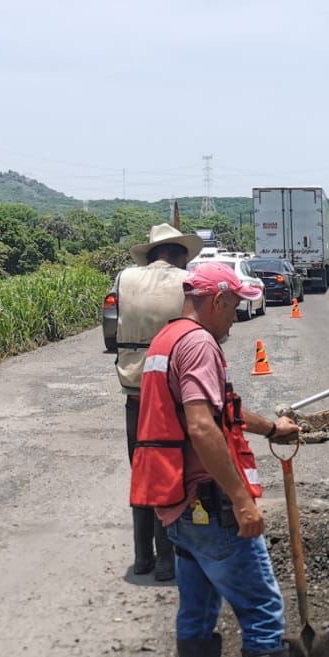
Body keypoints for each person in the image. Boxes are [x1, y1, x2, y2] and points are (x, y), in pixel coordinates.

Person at [130, 262, 329, 657]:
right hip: (210, 505)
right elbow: (203, 428)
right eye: (236, 303)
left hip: (177, 505)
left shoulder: (167, 340)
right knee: (264, 612)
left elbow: (219, 408)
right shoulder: (201, 344)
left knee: (197, 613)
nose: (238, 313)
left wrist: (270, 428)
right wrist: (242, 502)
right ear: (217, 299)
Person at [113, 222, 193, 579]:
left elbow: (112, 329)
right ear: (178, 254)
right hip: (171, 391)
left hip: (134, 391)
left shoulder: (125, 279)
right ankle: (166, 559)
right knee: (170, 471)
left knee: (141, 470)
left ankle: (142, 556)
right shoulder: (184, 283)